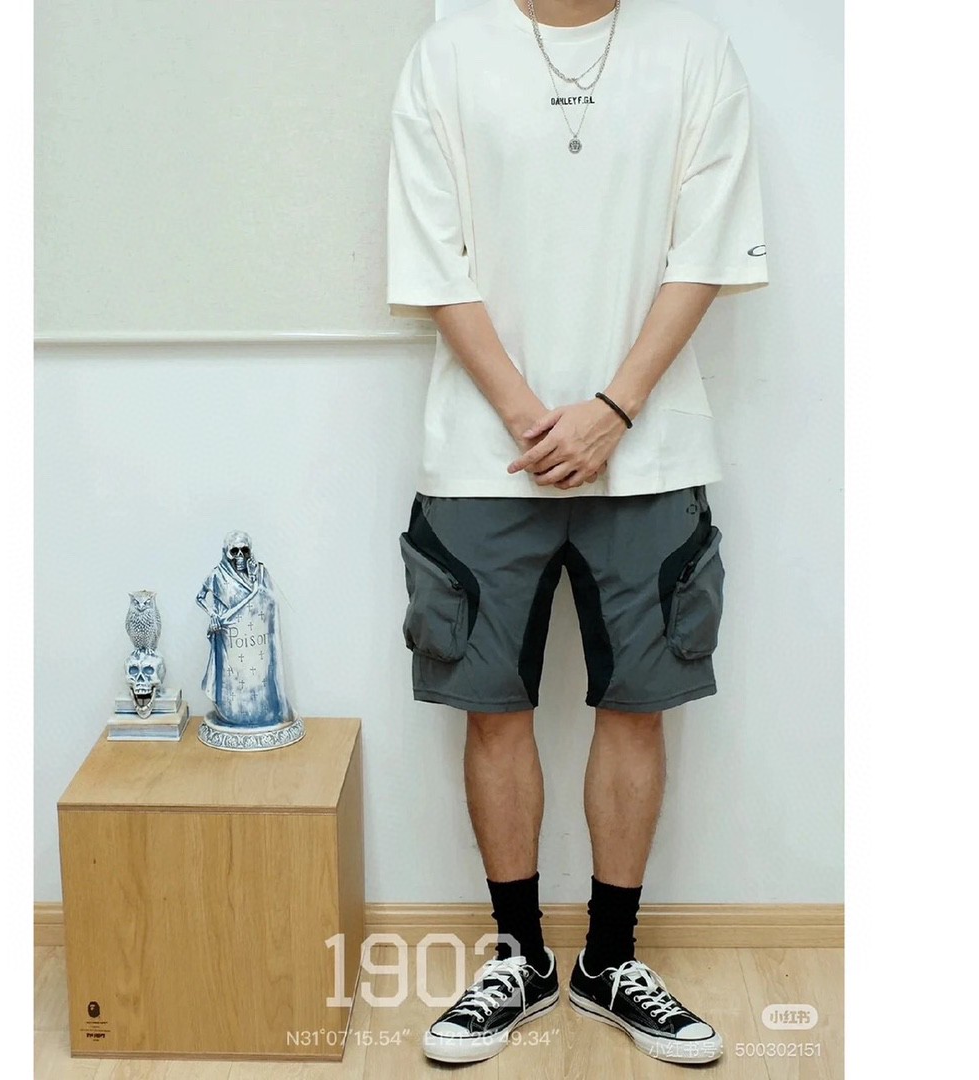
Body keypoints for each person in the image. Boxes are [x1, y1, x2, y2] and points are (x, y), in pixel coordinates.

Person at [386, 0, 768, 1066]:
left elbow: (708, 249)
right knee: (491, 705)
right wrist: (528, 415)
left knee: (638, 705)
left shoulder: (695, 53)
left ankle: (609, 960)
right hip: (483, 450)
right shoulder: (447, 57)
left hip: (650, 448)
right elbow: (433, 261)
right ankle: (517, 959)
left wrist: (612, 408)